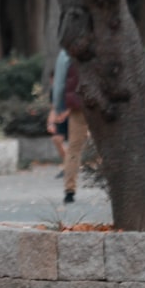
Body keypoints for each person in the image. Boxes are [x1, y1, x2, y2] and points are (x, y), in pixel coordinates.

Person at [48, 48, 87, 204]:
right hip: (102, 103)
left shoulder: (66, 53)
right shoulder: (103, 42)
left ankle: (69, 190)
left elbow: (59, 83)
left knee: (74, 148)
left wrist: (58, 107)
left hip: (79, 104)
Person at [46, 71, 69, 179]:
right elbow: (53, 108)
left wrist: (65, 114)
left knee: (84, 141)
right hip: (60, 118)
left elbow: (74, 105)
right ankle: (68, 165)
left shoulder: (68, 89)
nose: (53, 83)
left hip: (73, 117)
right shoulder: (52, 91)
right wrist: (50, 123)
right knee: (56, 139)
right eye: (52, 81)